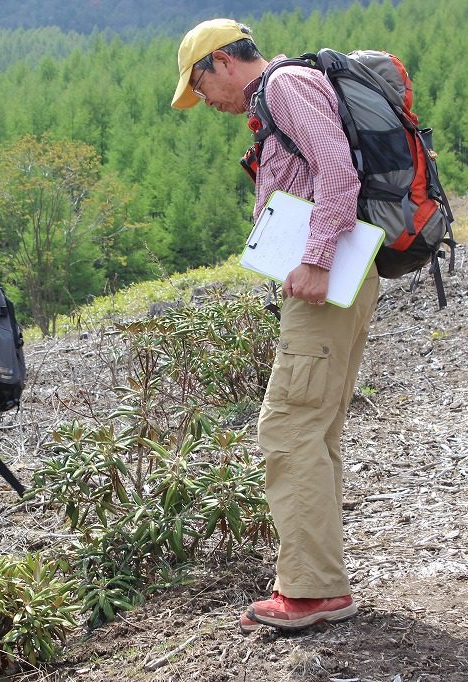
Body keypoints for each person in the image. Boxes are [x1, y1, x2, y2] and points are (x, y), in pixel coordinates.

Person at [172, 19, 379, 632]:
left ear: (220, 64)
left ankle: (313, 592)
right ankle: (318, 578)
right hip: (337, 276)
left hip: (327, 279)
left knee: (287, 426)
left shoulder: (285, 86)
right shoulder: (280, 96)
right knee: (313, 429)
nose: (205, 103)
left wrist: (314, 260)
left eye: (199, 86)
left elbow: (339, 175)